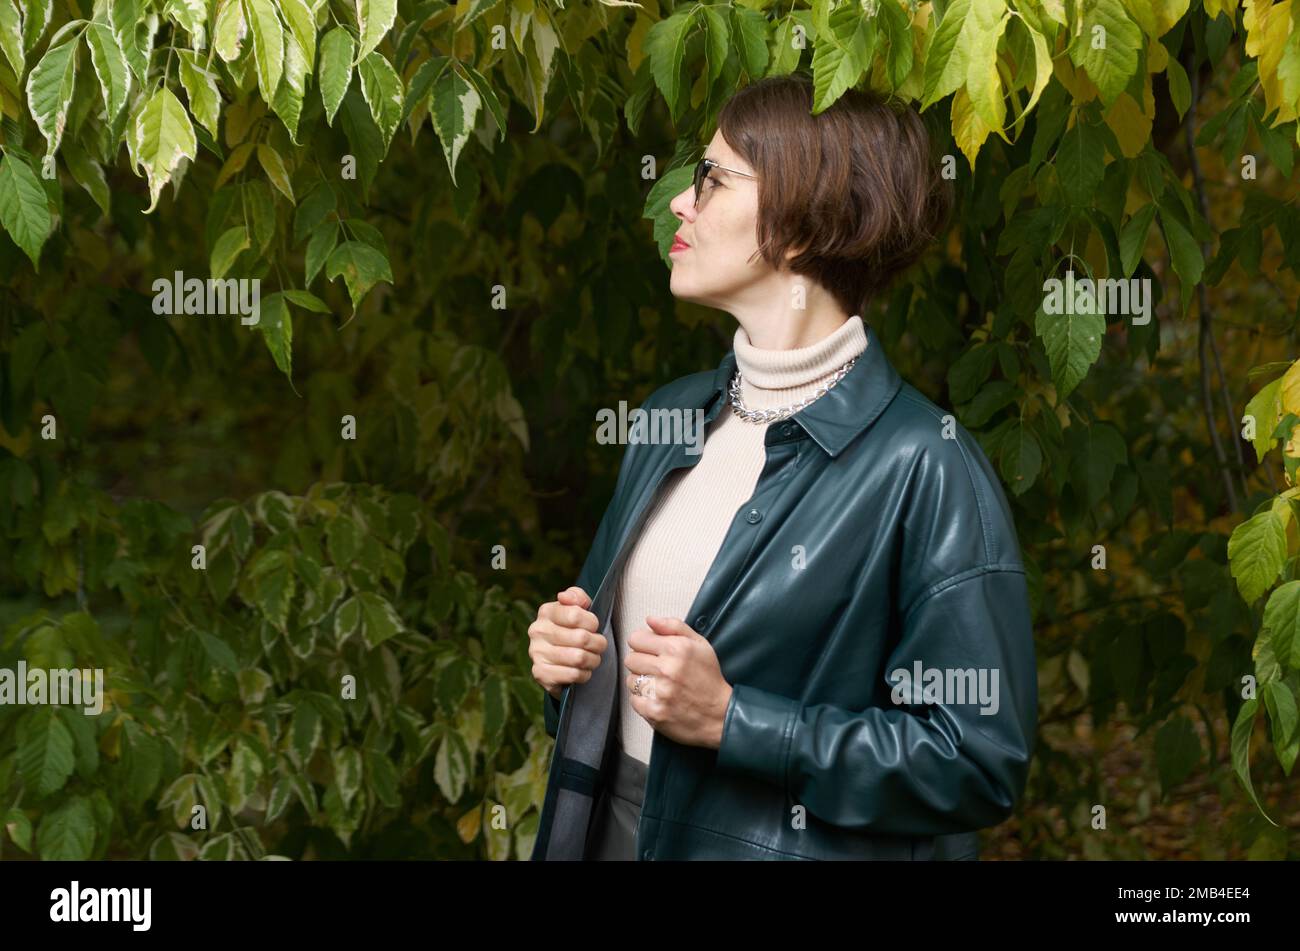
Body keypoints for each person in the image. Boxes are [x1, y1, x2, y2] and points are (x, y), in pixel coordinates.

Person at [527, 74, 1037, 861]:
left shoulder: (926, 467)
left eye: (712, 178)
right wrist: (569, 663)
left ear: (799, 225)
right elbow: (610, 697)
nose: (680, 203)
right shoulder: (674, 417)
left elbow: (975, 759)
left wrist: (737, 721)